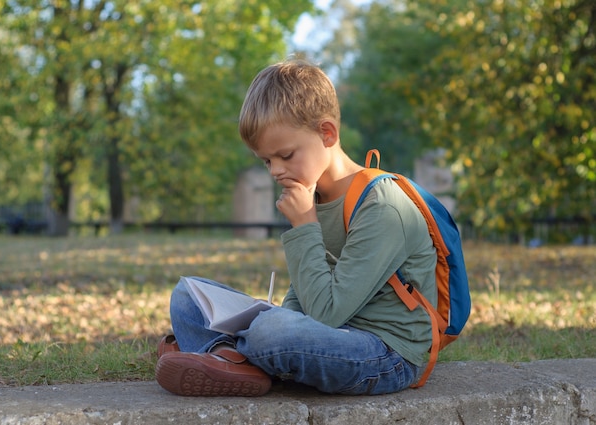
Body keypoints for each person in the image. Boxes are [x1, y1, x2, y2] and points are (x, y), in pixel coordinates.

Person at [155, 59, 437, 397]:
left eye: (286, 155)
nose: (275, 171)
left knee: (269, 331)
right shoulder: (313, 192)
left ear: (327, 133)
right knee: (187, 295)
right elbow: (303, 293)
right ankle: (235, 359)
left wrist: (304, 225)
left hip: (385, 353)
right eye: (267, 160)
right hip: (329, 330)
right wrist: (279, 316)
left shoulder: (382, 206)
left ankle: (227, 355)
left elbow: (328, 313)